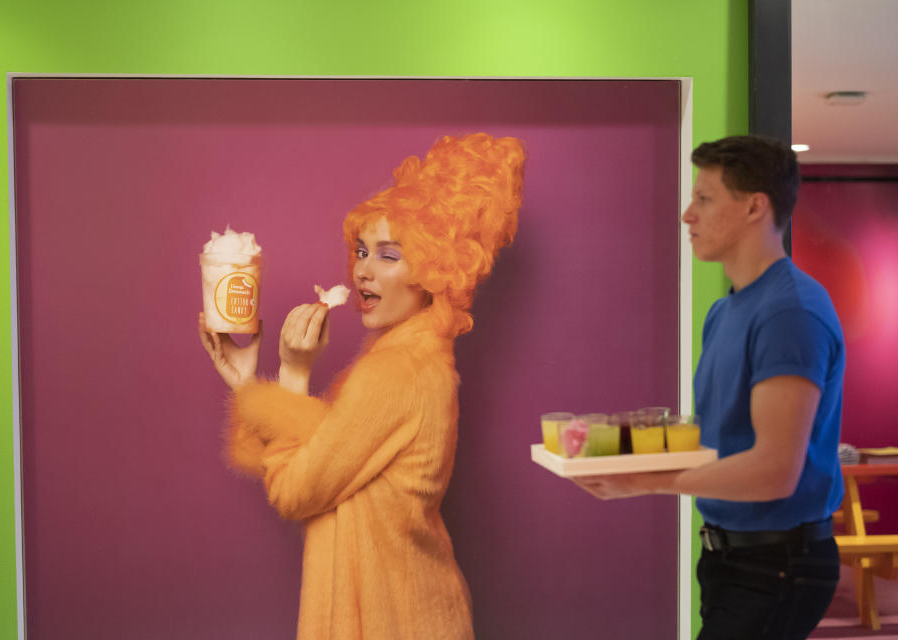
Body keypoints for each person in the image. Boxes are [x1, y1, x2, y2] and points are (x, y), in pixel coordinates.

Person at [199, 133, 524, 640]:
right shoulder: (413, 360)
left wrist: (293, 370)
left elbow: (294, 492)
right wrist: (248, 384)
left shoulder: (396, 374)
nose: (362, 271)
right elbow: (332, 454)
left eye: (388, 256)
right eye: (361, 250)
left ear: (434, 274)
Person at [573, 135, 845, 640]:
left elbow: (774, 472)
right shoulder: (727, 310)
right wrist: (621, 449)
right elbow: (721, 439)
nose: (687, 216)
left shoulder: (790, 312)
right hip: (731, 556)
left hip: (777, 562)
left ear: (753, 207)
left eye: (704, 199)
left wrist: (641, 483)